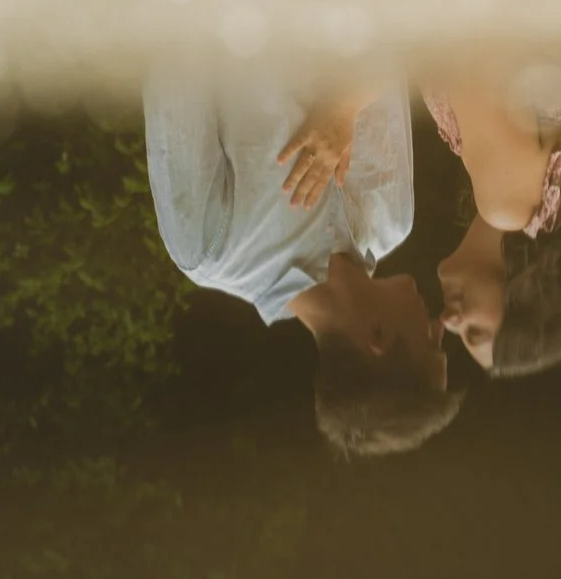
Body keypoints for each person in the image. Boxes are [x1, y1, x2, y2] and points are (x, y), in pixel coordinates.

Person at [143, 81, 463, 456]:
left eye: (432, 343)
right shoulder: (393, 218)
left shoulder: (211, 250)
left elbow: (172, 65)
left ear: (377, 337)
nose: (441, 325)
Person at [430, 90, 561, 376]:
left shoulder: (544, 187)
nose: (449, 321)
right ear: (528, 301)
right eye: (474, 332)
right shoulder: (507, 204)